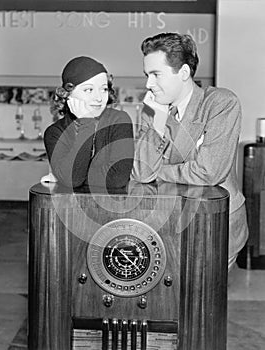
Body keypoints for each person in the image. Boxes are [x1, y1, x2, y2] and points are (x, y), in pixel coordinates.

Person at [131, 32, 248, 270]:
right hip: (168, 228)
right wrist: (157, 120)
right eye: (146, 75)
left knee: (202, 304)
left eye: (155, 74)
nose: (148, 85)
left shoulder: (220, 103)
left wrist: (159, 171)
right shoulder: (151, 109)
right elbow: (142, 173)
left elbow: (209, 173)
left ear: (183, 73)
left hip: (215, 228)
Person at [44, 56, 134, 190]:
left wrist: (64, 176)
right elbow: (72, 180)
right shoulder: (54, 132)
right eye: (89, 90)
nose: (99, 98)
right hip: (69, 208)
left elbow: (117, 178)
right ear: (68, 94)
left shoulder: (119, 120)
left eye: (103, 89)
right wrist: (86, 123)